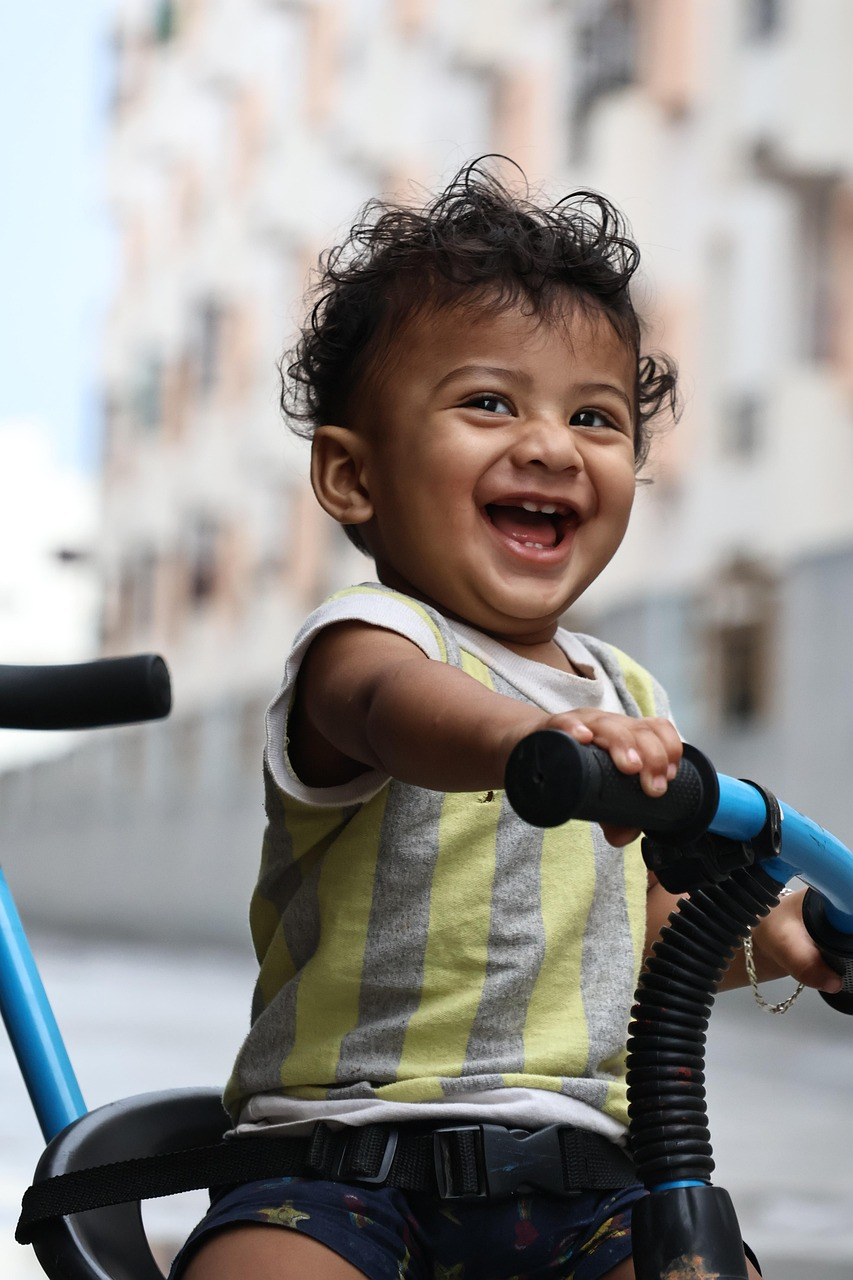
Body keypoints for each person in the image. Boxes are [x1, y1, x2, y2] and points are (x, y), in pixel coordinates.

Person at [172, 159, 841, 1280]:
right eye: (489, 402)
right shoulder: (367, 642)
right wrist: (522, 742)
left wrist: (765, 938)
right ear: (352, 475)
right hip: (337, 1165)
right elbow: (394, 712)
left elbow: (642, 933)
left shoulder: (628, 695)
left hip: (588, 1176)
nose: (550, 444)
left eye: (593, 416)